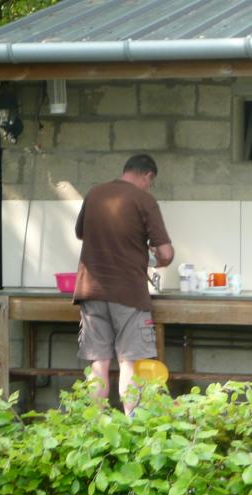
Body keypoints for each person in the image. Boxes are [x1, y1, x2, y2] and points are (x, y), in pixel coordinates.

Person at [73, 153, 174, 415]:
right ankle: (131, 424)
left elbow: (80, 232)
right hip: (128, 292)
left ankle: (95, 424)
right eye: (150, 182)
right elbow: (166, 253)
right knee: (130, 363)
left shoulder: (95, 193)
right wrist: (157, 259)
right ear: (147, 176)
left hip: (91, 289)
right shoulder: (144, 200)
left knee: (99, 363)